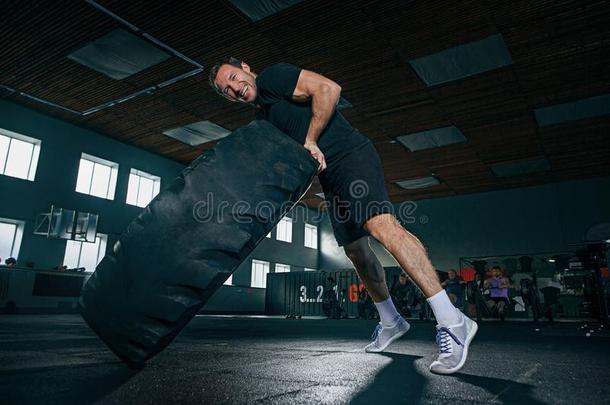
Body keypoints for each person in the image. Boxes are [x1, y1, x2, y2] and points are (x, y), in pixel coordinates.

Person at [209, 59, 477, 374]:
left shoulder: (272, 78)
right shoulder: (265, 116)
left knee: (382, 227)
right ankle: (390, 320)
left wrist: (310, 140)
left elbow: (328, 89)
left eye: (233, 77)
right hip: (331, 176)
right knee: (356, 250)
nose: (234, 88)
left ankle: (452, 320)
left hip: (351, 157)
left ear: (245, 67)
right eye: (226, 90)